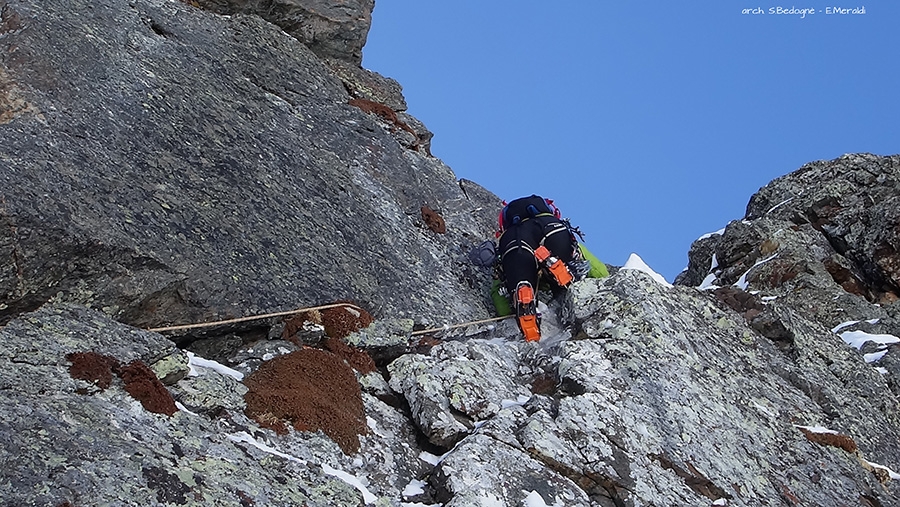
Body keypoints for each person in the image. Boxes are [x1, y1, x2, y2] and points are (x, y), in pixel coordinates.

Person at [493, 195, 601, 342]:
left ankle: (523, 297)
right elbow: (598, 269)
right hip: (552, 231)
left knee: (520, 280)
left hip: (515, 241)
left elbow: (497, 290)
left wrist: (506, 309)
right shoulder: (553, 221)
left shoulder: (508, 235)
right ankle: (559, 268)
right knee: (567, 269)